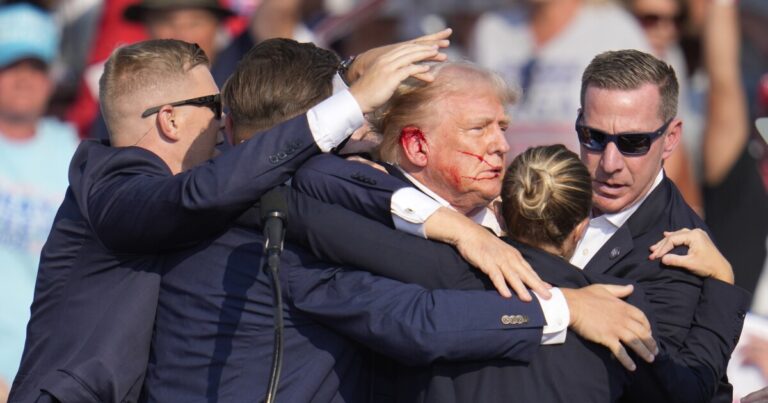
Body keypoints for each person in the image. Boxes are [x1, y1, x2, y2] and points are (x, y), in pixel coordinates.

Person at [141, 38, 633, 403]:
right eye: (480, 128)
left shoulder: (181, 201)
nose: (501, 145)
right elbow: (417, 321)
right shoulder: (297, 228)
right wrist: (565, 308)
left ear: (227, 127)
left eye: (502, 128)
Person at [292, 50, 750, 401]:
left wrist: (724, 287)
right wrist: (461, 231)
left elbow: (674, 387)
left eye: (632, 143)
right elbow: (311, 190)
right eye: (593, 138)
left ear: (670, 138)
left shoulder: (682, 255)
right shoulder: (423, 209)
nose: (609, 163)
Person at [8, 35, 441, 403]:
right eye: (212, 103)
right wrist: (351, 102)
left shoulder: (186, 186)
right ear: (170, 119)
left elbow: (255, 162)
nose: (223, 119)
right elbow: (207, 192)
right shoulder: (110, 182)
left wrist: (342, 78)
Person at [0, 3, 79, 395]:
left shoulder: (77, 154)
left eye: (36, 68)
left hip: (49, 375)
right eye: (10, 67)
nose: (24, 80)